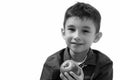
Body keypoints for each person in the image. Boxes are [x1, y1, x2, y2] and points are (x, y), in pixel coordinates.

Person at [40, 2, 113, 80]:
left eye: (85, 31)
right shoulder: (52, 63)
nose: (77, 36)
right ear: (63, 33)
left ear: (96, 37)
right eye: (71, 29)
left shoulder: (104, 64)